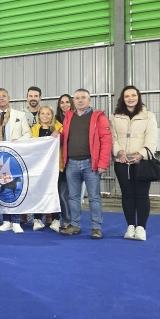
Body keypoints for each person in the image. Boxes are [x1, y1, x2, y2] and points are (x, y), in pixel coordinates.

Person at [60, 89, 112, 239]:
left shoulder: (99, 117)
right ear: (74, 101)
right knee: (73, 197)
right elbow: (65, 137)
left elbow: (106, 141)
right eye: (77, 98)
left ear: (89, 100)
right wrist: (57, 136)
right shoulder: (69, 116)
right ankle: (74, 225)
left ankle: (96, 228)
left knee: (94, 197)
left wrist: (103, 163)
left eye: (83, 97)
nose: (80, 100)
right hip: (71, 163)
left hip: (91, 164)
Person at [110, 86, 157, 241]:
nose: (130, 98)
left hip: (142, 163)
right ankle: (130, 226)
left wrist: (141, 154)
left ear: (138, 97)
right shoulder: (114, 117)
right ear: (122, 99)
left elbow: (151, 138)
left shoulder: (149, 116)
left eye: (133, 95)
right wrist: (120, 153)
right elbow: (111, 138)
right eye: (127, 96)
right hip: (122, 162)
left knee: (142, 195)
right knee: (127, 195)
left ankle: (141, 227)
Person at [0, 88, 31, 233]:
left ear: (8, 98)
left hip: (15, 158)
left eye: (4, 96)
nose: (2, 98)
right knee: (3, 188)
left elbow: (28, 133)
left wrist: (18, 141)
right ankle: (6, 220)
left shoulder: (20, 115)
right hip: (0, 158)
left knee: (16, 189)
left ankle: (16, 221)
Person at [30, 105, 62, 233]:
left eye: (48, 113)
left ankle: (56, 219)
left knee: (54, 192)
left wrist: (59, 135)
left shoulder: (59, 128)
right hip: (38, 167)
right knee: (38, 192)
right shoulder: (34, 129)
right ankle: (37, 219)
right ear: (39, 116)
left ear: (52, 116)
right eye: (42, 113)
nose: (45, 116)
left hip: (54, 167)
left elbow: (64, 140)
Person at [55, 94, 75, 228]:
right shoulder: (55, 121)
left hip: (72, 160)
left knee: (71, 194)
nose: (65, 105)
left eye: (67, 102)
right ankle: (64, 219)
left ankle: (72, 220)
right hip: (58, 163)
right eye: (62, 102)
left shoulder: (76, 118)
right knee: (61, 193)